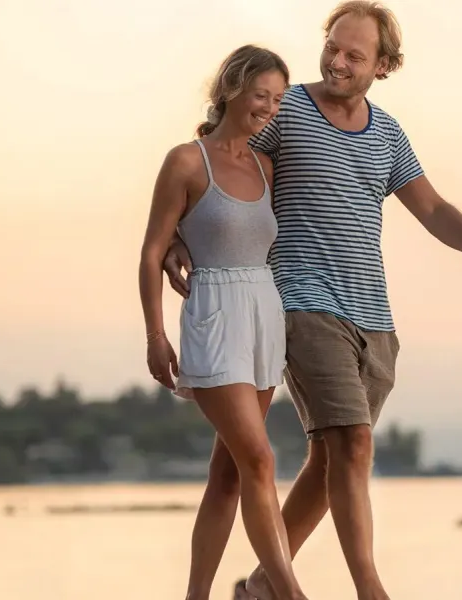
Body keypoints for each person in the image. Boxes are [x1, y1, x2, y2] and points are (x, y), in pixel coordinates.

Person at [165, 3, 462, 599]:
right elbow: (219, 154)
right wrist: (179, 231)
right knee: (353, 442)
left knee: (322, 462)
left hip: (373, 318)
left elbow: (429, 207)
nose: (338, 61)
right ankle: (369, 588)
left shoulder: (388, 134)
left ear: (384, 65)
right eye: (333, 47)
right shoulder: (288, 109)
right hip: (301, 303)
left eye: (355, 55)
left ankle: (258, 589)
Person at [138, 44, 309, 600]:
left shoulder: (267, 165)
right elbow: (150, 251)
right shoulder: (187, 161)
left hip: (264, 315)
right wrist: (156, 334)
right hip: (213, 313)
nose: (269, 108)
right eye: (262, 95)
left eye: (278, 100)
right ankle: (290, 593)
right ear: (232, 88)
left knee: (230, 474)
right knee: (259, 458)